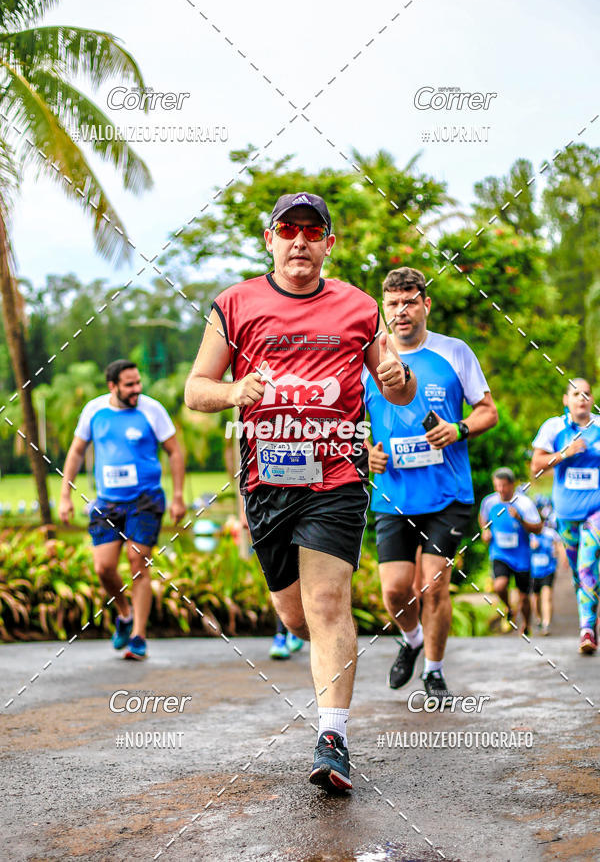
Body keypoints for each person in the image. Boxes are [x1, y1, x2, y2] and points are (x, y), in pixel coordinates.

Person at [184, 192, 416, 793]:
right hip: (268, 482)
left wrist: (396, 375)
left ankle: (333, 738)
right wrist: (234, 394)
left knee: (329, 604)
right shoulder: (235, 305)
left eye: (313, 232)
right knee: (295, 613)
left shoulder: (360, 307)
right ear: (270, 239)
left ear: (328, 244)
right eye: (289, 230)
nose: (300, 242)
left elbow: (396, 387)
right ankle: (328, 666)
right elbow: (195, 389)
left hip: (335, 477)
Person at [364, 266, 497, 700]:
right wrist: (365, 452)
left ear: (426, 304)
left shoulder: (454, 352)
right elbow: (349, 424)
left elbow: (487, 412)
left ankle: (434, 672)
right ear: (384, 308)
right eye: (393, 304)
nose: (401, 312)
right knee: (395, 590)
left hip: (447, 493)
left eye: (409, 302)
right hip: (394, 495)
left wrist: (458, 429)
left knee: (434, 583)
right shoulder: (369, 358)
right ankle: (413, 639)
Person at [59, 360, 185, 660]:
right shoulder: (94, 411)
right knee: (104, 568)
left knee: (137, 561)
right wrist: (65, 494)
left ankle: (139, 636)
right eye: (129, 385)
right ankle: (125, 615)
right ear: (112, 386)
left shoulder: (152, 410)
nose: (136, 389)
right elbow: (76, 451)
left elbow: (174, 451)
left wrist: (178, 496)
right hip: (108, 502)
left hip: (146, 499)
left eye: (138, 383)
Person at [531, 379, 600, 654]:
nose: (581, 398)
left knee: (586, 564)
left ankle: (586, 629)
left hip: (596, 511)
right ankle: (589, 620)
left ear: (592, 399)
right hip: (566, 515)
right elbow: (535, 466)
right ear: (566, 400)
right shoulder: (554, 427)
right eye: (575, 394)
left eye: (586, 393)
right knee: (578, 572)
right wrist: (565, 453)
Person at [479, 468, 542, 635]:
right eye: (497, 486)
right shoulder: (489, 502)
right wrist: (485, 530)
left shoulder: (524, 503)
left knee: (524, 597)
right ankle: (508, 608)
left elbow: (538, 528)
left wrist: (520, 520)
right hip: (500, 553)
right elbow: (483, 518)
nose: (500, 489)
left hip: (521, 556)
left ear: (512, 484)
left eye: (504, 486)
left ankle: (526, 624)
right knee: (499, 586)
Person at [529, 502, 564, 636]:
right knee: (535, 598)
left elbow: (559, 545)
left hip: (548, 569)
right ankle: (538, 618)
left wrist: (563, 559)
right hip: (533, 571)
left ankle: (546, 624)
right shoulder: (529, 534)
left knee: (547, 596)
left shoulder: (550, 533)